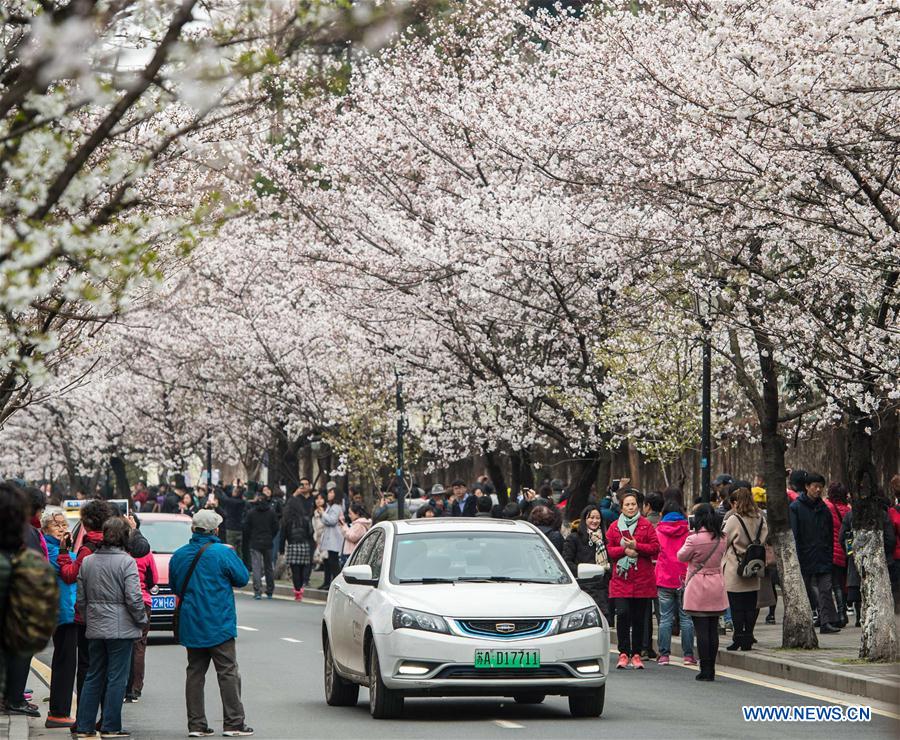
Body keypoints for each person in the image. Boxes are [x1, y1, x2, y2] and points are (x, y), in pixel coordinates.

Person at [169, 510, 253, 738]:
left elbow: (176, 587)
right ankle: (234, 723)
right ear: (215, 530)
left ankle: (196, 725)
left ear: (193, 530)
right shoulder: (222, 553)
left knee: (195, 673)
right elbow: (243, 578)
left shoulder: (178, 555)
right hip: (219, 623)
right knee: (227, 672)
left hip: (191, 623)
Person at [74, 517, 148, 738]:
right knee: (117, 677)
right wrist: (141, 619)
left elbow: (81, 599)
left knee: (93, 675)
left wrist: (90, 618)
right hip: (122, 628)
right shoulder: (127, 562)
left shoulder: (88, 562)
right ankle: (110, 725)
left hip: (96, 625)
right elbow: (134, 598)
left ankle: (84, 725)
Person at [606, 489, 659, 670]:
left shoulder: (646, 525)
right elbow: (610, 550)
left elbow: (654, 548)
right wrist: (624, 551)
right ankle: (623, 652)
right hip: (621, 579)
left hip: (642, 579)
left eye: (633, 504)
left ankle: (636, 653)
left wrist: (638, 546)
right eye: (627, 504)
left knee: (639, 619)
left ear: (638, 506)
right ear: (621, 507)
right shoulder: (614, 527)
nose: (630, 507)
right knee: (622, 614)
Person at [678, 503, 729, 681]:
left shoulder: (694, 539)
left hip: (698, 584)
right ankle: (712, 668)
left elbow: (681, 556)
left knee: (701, 630)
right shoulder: (722, 537)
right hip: (716, 583)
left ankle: (704, 669)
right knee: (712, 629)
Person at [790, 472, 841, 633]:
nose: (818, 490)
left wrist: (829, 553)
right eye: (815, 487)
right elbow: (794, 535)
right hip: (804, 556)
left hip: (823, 556)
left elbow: (829, 534)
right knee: (805, 590)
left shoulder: (824, 508)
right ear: (807, 487)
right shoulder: (796, 507)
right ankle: (806, 619)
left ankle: (826, 622)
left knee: (826, 589)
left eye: (821, 487)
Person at [42, 509, 79, 728]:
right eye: (57, 525)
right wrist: (68, 548)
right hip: (64, 612)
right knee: (66, 663)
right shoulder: (52, 550)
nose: (63, 528)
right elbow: (72, 567)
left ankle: (59, 709)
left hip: (63, 610)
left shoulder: (56, 548)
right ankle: (59, 712)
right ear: (46, 529)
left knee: (64, 661)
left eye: (64, 524)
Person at [722, 482, 768, 650]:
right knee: (751, 605)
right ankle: (748, 635)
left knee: (736, 606)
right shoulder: (760, 518)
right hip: (754, 566)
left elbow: (723, 542)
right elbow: (764, 539)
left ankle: (738, 636)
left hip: (736, 567)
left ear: (736, 502)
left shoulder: (734, 519)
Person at [840, 500, 896, 628]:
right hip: (880, 559)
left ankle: (860, 616)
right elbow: (890, 539)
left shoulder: (850, 515)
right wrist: (883, 553)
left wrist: (851, 553)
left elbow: (842, 537)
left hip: (857, 559)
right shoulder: (882, 515)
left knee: (859, 587)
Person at [654, 494, 695, 666]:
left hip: (664, 578)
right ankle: (688, 655)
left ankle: (664, 655)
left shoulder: (657, 531)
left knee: (665, 618)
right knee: (686, 618)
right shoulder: (688, 531)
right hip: (685, 577)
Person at [125, 515, 157, 703]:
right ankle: (135, 689)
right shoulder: (145, 552)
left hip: (122, 603)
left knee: (122, 646)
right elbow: (153, 579)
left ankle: (121, 687)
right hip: (143, 602)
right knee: (139, 646)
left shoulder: (120, 551)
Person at [563, 505, 611, 621]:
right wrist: (582, 572)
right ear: (584, 519)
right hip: (582, 588)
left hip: (601, 589)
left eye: (598, 518)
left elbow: (611, 561)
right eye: (591, 517)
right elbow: (566, 562)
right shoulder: (574, 538)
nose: (595, 521)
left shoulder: (604, 539)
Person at [824, 482, 852, 627]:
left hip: (833, 550)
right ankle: (845, 611)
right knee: (843, 583)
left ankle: (841, 614)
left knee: (835, 585)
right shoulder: (848, 510)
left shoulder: (828, 508)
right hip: (846, 551)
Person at [281, 488, 315, 600]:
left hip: (292, 545)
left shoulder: (287, 520)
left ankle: (297, 592)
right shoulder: (305, 519)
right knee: (302, 568)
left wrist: (281, 549)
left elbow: (283, 535)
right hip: (304, 545)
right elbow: (310, 532)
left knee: (295, 569)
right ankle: (301, 587)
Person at [244, 488, 278, 600]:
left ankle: (257, 591)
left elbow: (247, 528)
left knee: (256, 567)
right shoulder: (271, 512)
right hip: (268, 541)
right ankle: (270, 590)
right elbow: (275, 527)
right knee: (268, 567)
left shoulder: (251, 513)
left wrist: (251, 538)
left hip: (255, 541)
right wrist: (270, 536)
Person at [320, 485, 344, 589]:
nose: (329, 495)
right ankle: (329, 583)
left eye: (331, 493)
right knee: (330, 561)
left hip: (334, 537)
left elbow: (332, 520)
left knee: (333, 562)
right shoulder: (331, 506)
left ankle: (337, 583)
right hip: (331, 537)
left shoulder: (335, 507)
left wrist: (323, 514)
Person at [220, 484, 247, 564]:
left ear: (235, 492)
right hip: (239, 528)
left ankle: (232, 565)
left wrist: (219, 489)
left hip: (231, 528)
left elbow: (222, 498)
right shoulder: (242, 502)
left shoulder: (231, 502)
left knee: (231, 548)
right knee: (239, 550)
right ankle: (240, 564)